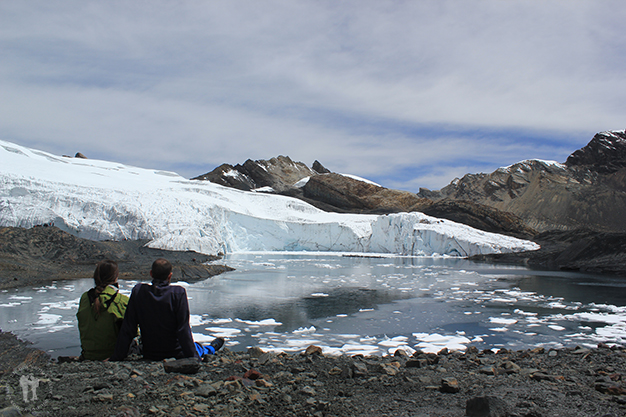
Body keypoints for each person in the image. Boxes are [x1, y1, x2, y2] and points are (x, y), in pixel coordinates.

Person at [110, 258, 224, 361]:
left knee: (196, 347)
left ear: (151, 274)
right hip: (176, 352)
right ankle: (210, 348)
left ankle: (206, 348)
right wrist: (194, 358)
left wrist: (117, 357)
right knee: (198, 348)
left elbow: (128, 328)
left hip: (150, 353)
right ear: (170, 276)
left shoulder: (139, 292)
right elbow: (183, 330)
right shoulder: (178, 294)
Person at [76, 259, 129, 360]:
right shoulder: (121, 301)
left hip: (88, 355)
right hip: (113, 355)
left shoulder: (85, 298)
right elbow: (132, 331)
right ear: (115, 278)